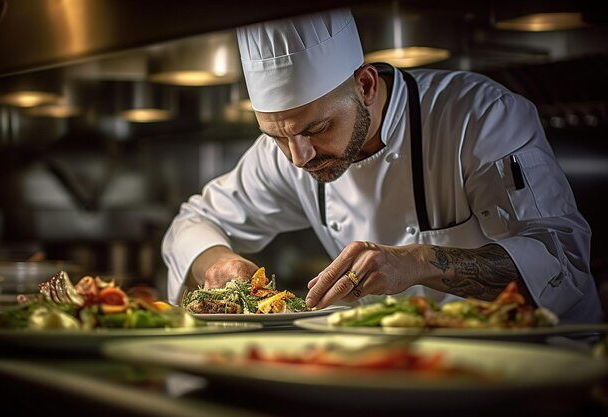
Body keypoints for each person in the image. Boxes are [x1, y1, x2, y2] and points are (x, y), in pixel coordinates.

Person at [162, 8, 603, 323]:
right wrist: (217, 264)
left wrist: (420, 262)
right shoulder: (289, 148)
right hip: (399, 372)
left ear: (366, 85)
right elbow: (194, 220)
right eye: (276, 137)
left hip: (541, 368)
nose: (298, 158)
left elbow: (562, 265)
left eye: (317, 129)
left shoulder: (480, 117)